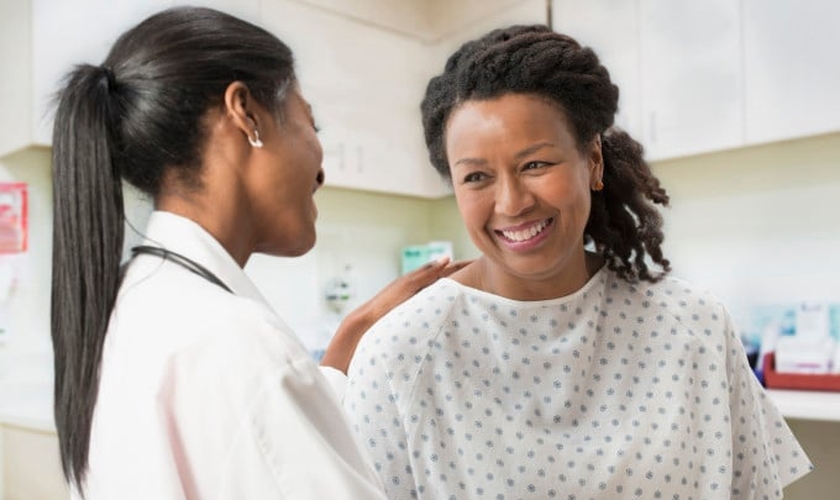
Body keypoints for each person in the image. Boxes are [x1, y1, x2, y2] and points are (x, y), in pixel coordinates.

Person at [343, 24, 813, 500]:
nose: (511, 202)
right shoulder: (399, 356)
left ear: (592, 160)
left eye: (535, 165)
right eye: (477, 176)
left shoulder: (695, 327)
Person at [50, 6, 465, 499]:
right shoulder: (235, 343)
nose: (321, 167)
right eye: (311, 123)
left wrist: (346, 344)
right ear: (245, 114)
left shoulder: (132, 305)